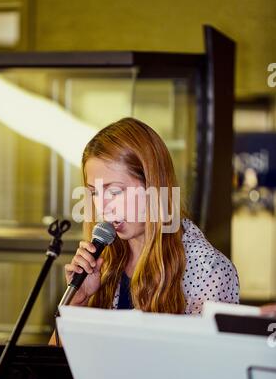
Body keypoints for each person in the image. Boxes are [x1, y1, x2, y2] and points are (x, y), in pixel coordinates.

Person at [58, 117, 240, 320]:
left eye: (115, 191)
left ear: (154, 187)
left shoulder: (207, 270)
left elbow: (210, 352)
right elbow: (52, 353)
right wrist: (77, 302)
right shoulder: (104, 259)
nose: (102, 206)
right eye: (94, 193)